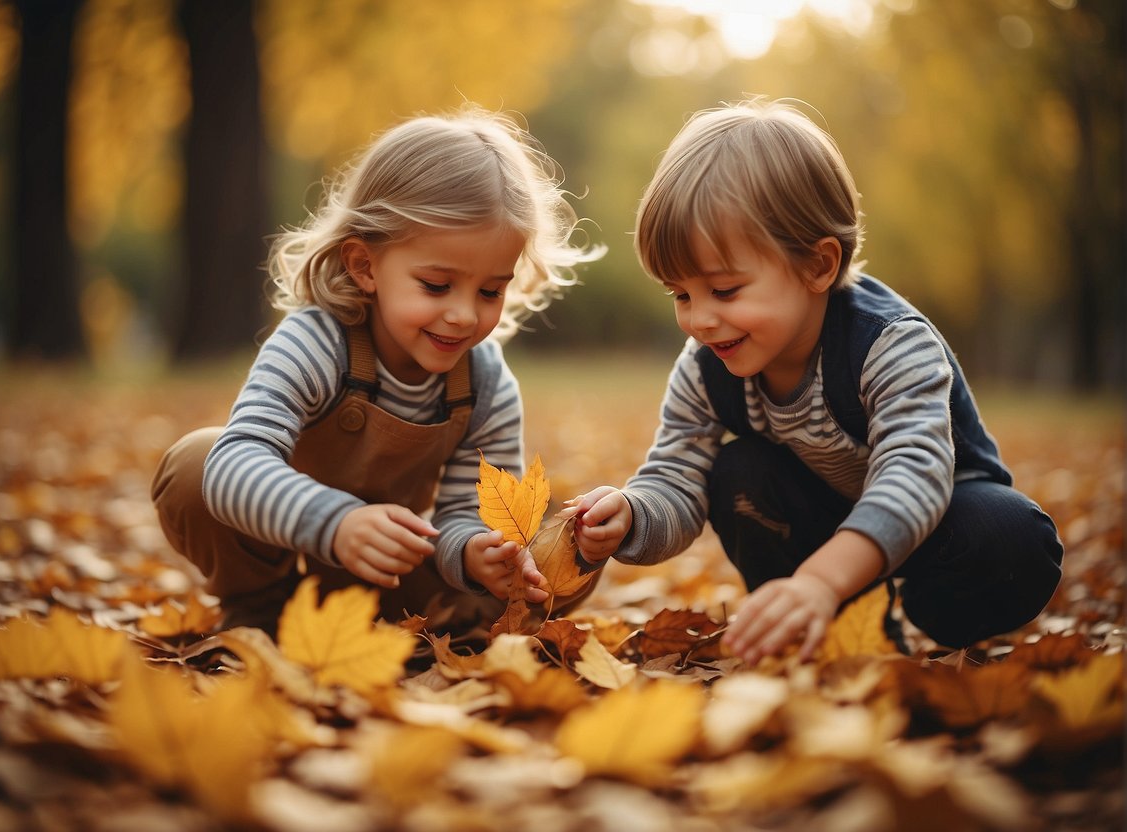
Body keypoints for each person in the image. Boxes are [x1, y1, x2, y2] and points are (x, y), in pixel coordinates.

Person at [571, 99, 1063, 663]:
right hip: (821, 518)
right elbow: (677, 474)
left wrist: (823, 580)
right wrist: (633, 513)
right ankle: (809, 623)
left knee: (1011, 536)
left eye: (724, 290)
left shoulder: (888, 342)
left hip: (941, 523)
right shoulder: (706, 365)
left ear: (817, 265)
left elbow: (914, 472)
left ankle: (926, 617)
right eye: (681, 294)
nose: (700, 319)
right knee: (737, 473)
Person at [152, 106, 602, 634]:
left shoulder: (483, 380)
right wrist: (332, 521)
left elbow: (465, 513)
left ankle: (441, 624)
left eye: (489, 291)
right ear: (365, 266)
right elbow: (234, 464)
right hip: (290, 543)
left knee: (566, 538)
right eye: (436, 285)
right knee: (197, 463)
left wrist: (475, 555)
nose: (463, 314)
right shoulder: (316, 342)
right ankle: (261, 612)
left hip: (396, 577)